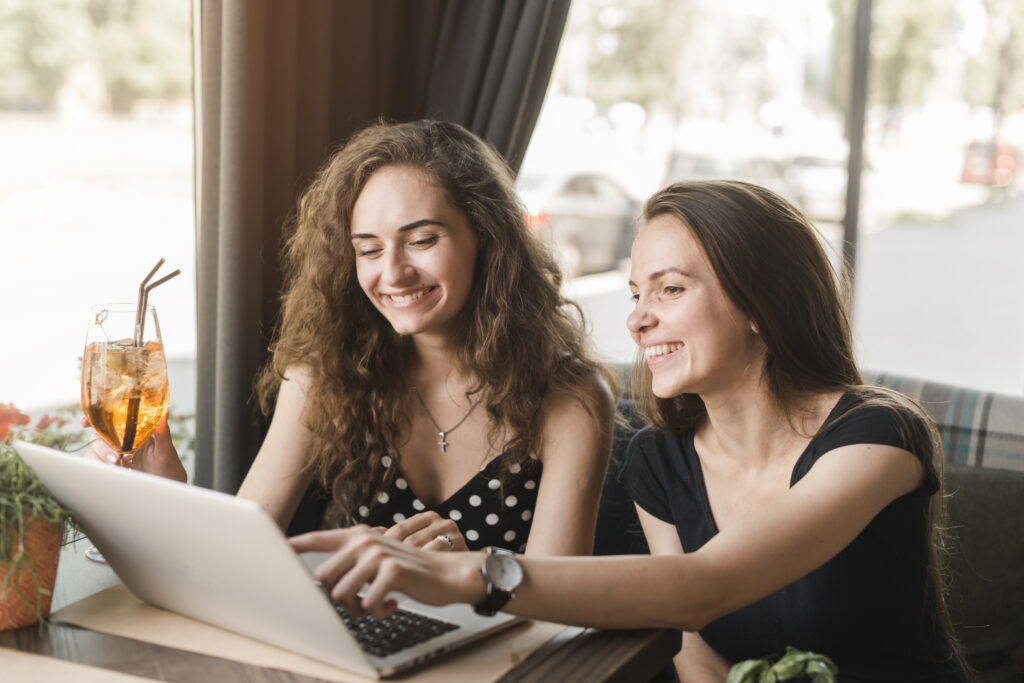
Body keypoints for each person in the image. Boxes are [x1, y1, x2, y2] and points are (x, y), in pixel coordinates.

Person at [290, 180, 970, 681]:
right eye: (638, 292)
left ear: (763, 304)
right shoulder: (658, 459)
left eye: (670, 290)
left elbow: (705, 585)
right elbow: (698, 651)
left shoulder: (878, 435)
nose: (638, 318)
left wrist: (471, 573)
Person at [88, 119, 615, 557]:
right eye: (369, 250)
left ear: (486, 237)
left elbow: (559, 610)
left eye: (422, 240)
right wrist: (164, 489)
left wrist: (470, 574)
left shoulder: (570, 400)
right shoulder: (323, 374)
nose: (395, 273)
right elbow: (234, 556)